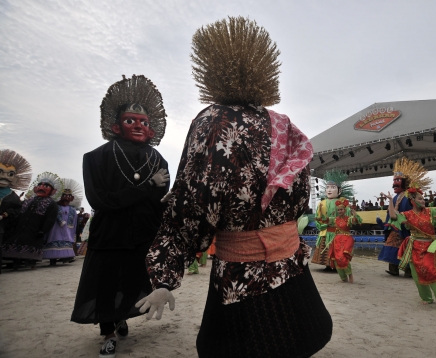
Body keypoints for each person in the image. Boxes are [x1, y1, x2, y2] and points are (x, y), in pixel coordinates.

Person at [136, 17, 332, 358]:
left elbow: (194, 201)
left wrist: (166, 275)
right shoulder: (284, 125)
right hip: (292, 270)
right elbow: (301, 196)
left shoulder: (214, 121)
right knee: (296, 341)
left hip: (241, 278)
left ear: (210, 72)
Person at [70, 74, 170, 358]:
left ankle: (122, 315)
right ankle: (108, 332)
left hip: (143, 234)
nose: (138, 125)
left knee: (133, 281)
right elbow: (99, 200)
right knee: (105, 282)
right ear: (115, 126)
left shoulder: (158, 160)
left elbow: (161, 203)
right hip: (109, 233)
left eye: (144, 122)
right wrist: (147, 187)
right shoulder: (96, 158)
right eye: (130, 120)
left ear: (151, 131)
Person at [382, 181, 436, 311]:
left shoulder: (431, 212)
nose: (423, 201)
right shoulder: (408, 215)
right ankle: (426, 298)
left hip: (430, 247)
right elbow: (394, 216)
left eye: (423, 199)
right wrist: (390, 201)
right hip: (415, 246)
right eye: (420, 199)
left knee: (431, 271)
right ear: (412, 200)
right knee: (417, 274)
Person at [3, 172, 61, 270]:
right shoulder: (29, 200)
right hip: (22, 226)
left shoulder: (52, 204)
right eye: (40, 185)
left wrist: (44, 230)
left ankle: (31, 261)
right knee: (17, 242)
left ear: (53, 191)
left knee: (32, 244)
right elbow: (19, 213)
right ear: (35, 188)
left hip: (36, 228)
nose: (42, 187)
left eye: (46, 186)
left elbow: (50, 219)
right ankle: (16, 261)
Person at [377, 157, 421, 277]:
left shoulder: (409, 196)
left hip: (405, 227)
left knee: (407, 248)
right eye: (394, 180)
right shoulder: (396, 196)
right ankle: (394, 268)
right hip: (395, 227)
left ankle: (409, 270)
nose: (394, 183)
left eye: (398, 180)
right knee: (391, 246)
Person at [312, 169, 356, 268]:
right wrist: (322, 225)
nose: (329, 190)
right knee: (325, 250)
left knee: (337, 250)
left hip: (338, 232)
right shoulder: (321, 203)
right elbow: (317, 218)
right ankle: (328, 265)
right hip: (325, 231)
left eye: (332, 187)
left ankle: (337, 265)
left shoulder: (342, 203)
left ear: (339, 190)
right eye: (327, 187)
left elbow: (347, 218)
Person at [0, 149, 32, 274]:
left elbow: (17, 211)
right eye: (1, 172)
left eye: (10, 174)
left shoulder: (12, 196)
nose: (4, 176)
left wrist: (5, 215)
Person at [42, 178, 83, 265]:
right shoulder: (55, 206)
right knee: (54, 240)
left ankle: (65, 257)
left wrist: (74, 231)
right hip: (56, 228)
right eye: (64, 195)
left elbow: (75, 222)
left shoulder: (72, 209)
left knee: (66, 242)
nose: (66, 198)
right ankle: (52, 259)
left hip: (68, 230)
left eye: (68, 196)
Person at [329, 199, 361, 283]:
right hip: (337, 240)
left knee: (343, 257)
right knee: (336, 258)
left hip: (346, 239)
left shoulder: (348, 219)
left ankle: (350, 275)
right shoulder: (335, 219)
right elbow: (327, 222)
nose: (340, 211)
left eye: (341, 209)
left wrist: (353, 210)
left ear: (345, 210)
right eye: (338, 210)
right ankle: (343, 278)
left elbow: (357, 220)